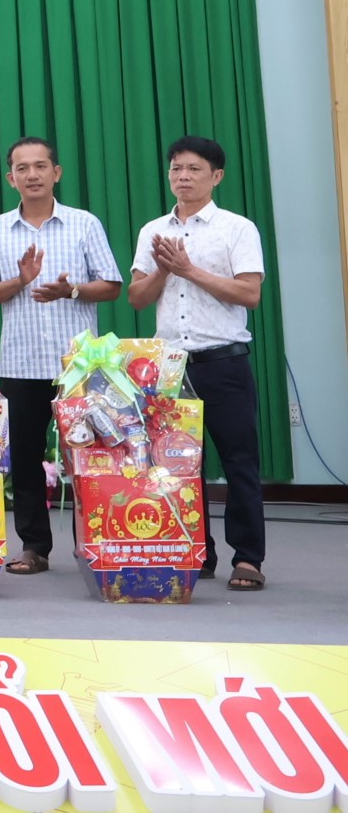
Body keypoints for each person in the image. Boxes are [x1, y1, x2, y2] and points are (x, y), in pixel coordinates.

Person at [0, 135, 122, 577]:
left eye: (40, 166)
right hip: (21, 364)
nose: (32, 175)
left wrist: (71, 290)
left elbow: (111, 284)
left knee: (90, 457)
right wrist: (20, 281)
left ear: (56, 173)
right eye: (22, 168)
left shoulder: (84, 224)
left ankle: (94, 543)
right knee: (26, 460)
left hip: (77, 367)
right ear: (10, 178)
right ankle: (34, 547)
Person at [128, 135, 268, 591]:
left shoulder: (236, 228)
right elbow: (137, 298)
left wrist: (189, 270)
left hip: (224, 362)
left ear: (216, 176)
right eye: (176, 169)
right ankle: (195, 552)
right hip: (170, 367)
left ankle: (247, 558)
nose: (183, 177)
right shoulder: (153, 231)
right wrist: (165, 269)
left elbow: (250, 293)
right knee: (176, 465)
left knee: (238, 461)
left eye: (193, 169)